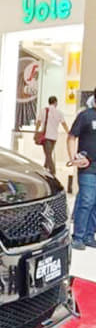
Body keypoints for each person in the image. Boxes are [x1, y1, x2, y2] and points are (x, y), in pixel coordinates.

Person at [68, 87, 96, 250]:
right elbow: (72, 137)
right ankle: (78, 237)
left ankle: (89, 236)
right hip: (88, 166)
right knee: (87, 200)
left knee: (95, 203)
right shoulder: (85, 116)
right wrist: (74, 158)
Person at [36, 96, 69, 175]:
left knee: (48, 155)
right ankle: (46, 169)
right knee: (48, 154)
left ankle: (52, 171)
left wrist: (36, 131)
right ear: (55, 102)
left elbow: (38, 122)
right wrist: (68, 132)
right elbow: (64, 124)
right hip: (54, 137)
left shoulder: (43, 110)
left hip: (46, 136)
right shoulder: (59, 112)